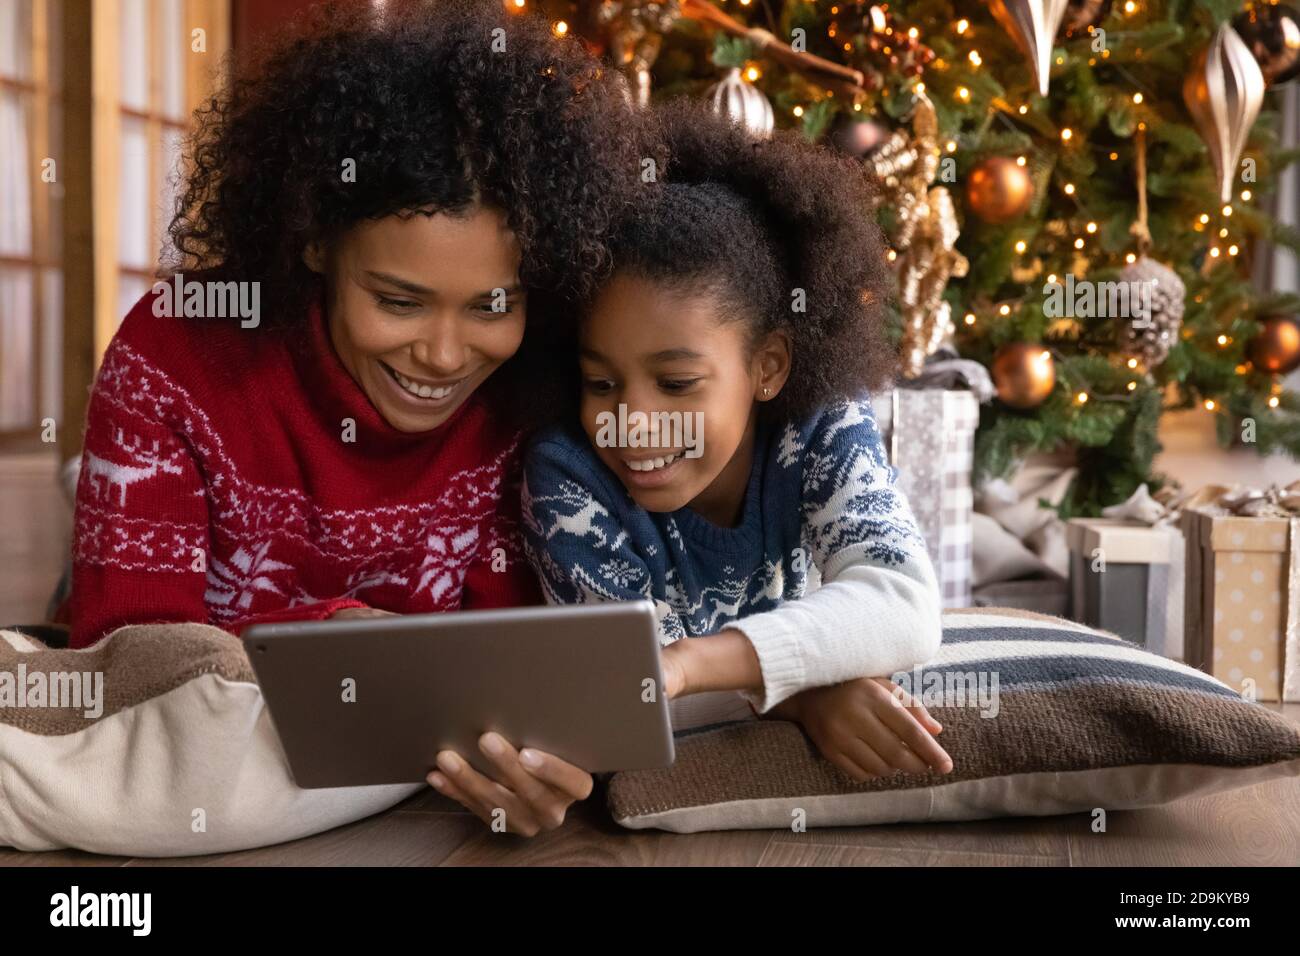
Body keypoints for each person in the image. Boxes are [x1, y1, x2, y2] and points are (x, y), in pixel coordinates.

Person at [70, 0, 650, 836]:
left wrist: (536, 763)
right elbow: (124, 658)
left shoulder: (538, 389)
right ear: (315, 243)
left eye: (492, 305)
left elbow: (518, 665)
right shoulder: (175, 357)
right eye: (398, 301)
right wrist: (334, 637)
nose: (447, 357)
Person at [520, 101, 953, 784]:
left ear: (768, 367)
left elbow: (903, 605)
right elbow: (630, 692)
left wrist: (694, 665)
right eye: (600, 382)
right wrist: (804, 695)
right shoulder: (566, 476)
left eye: (677, 381)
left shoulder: (819, 425)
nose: (633, 420)